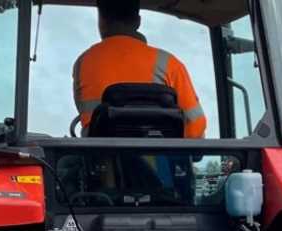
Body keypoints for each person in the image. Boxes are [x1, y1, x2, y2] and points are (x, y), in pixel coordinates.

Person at [72, 0, 207, 138]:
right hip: (160, 150)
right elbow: (196, 125)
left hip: (99, 151)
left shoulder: (84, 62)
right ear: (138, 22)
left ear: (101, 21)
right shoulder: (169, 63)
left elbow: (84, 114)